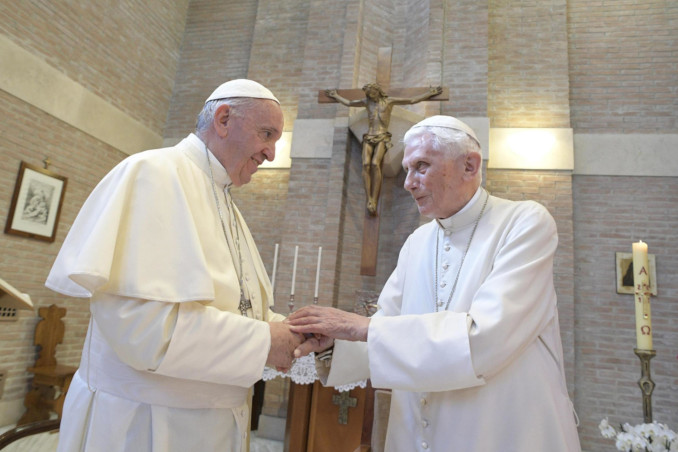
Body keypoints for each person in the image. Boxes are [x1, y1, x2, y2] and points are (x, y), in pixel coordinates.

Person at [289, 115, 582, 451]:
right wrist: (333, 343)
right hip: (414, 435)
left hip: (500, 433)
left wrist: (359, 327)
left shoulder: (523, 223)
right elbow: (386, 329)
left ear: (469, 166)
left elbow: (485, 339)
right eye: (408, 168)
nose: (407, 182)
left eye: (421, 166)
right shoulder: (417, 241)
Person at [45, 79, 306, 452]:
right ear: (223, 118)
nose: (271, 153)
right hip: (144, 425)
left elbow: (235, 309)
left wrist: (291, 329)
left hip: (209, 423)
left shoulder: (224, 201)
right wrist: (266, 341)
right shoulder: (155, 173)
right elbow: (144, 330)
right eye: (267, 134)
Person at [325, 84, 442, 215]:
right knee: (365, 165)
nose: (370, 96)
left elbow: (411, 100)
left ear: (378, 91)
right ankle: (370, 198)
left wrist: (429, 94)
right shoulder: (366, 102)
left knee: (375, 164)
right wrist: (335, 96)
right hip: (369, 136)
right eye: (368, 94)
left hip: (382, 137)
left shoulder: (388, 102)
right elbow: (349, 103)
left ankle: (374, 198)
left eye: (372, 93)